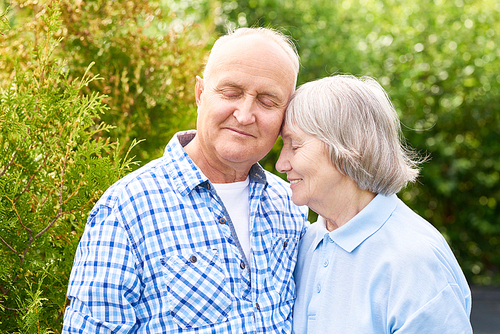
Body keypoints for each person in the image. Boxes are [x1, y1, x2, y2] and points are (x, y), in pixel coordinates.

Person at [63, 27, 308, 333]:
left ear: (286, 114)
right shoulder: (127, 209)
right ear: (200, 94)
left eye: (268, 101)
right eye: (231, 93)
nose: (245, 115)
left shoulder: (292, 205)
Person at [276, 74, 472, 333]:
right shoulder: (307, 241)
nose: (281, 164)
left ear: (346, 148)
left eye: (295, 145)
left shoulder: (414, 261)